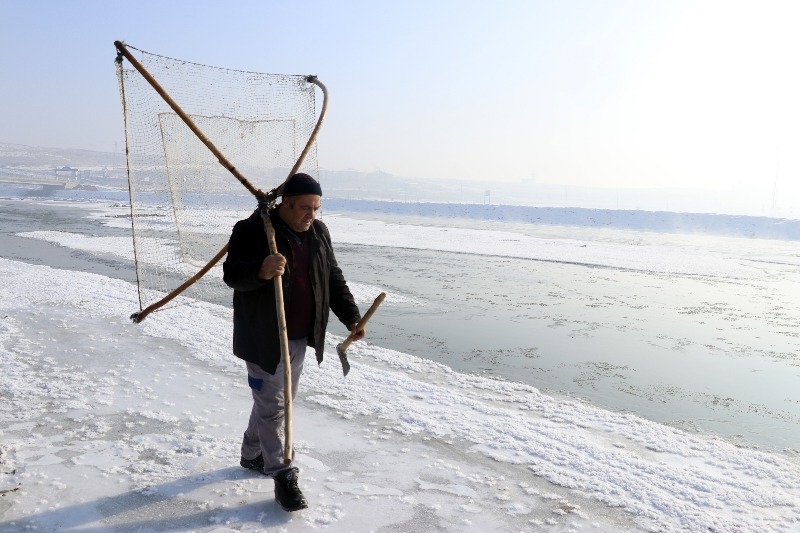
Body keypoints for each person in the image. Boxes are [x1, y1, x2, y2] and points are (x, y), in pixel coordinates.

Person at [223, 173, 364, 512]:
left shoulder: (319, 232)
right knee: (275, 405)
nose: (311, 215)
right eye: (305, 208)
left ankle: (251, 453)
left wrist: (351, 317)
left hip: (301, 335)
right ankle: (283, 473)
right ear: (285, 203)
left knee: (276, 401)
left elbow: (332, 277)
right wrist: (260, 270)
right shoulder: (253, 230)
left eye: (316, 208)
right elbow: (232, 274)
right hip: (263, 337)